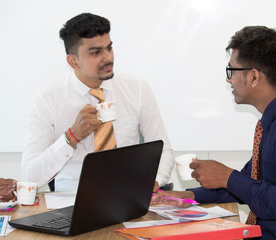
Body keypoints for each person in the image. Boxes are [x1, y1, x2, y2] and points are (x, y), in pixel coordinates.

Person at [152, 26, 276, 239]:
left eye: (231, 71)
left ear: (253, 77)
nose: (228, 80)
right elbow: (249, 183)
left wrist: (227, 177)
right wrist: (186, 196)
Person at [21, 13, 174, 192]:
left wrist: (153, 182)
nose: (108, 58)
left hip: (128, 197)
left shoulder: (136, 88)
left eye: (109, 48)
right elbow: (29, 178)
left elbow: (163, 149)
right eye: (96, 52)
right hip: (72, 201)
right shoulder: (46, 100)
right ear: (73, 61)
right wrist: (71, 137)